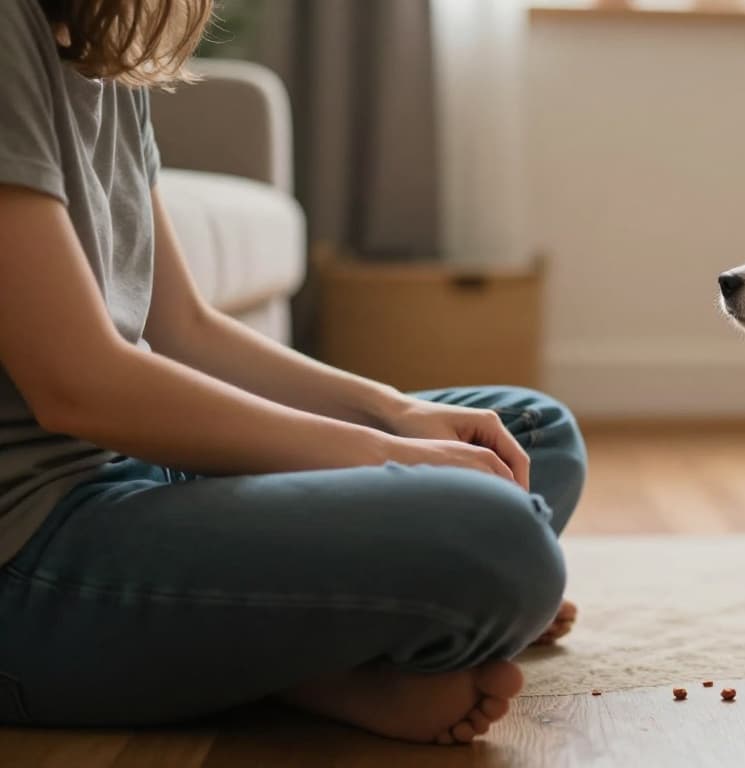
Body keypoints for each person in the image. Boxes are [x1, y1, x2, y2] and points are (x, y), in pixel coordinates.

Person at [0, 0, 584, 745]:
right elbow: (77, 386)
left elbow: (184, 329)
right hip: (30, 555)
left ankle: (306, 649)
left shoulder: (103, 40)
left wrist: (395, 411)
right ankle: (323, 653)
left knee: (534, 434)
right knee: (498, 542)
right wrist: (396, 458)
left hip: (144, 475)